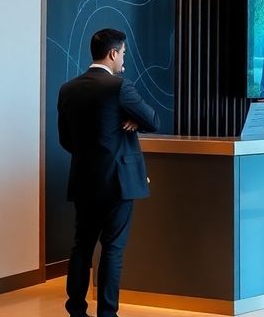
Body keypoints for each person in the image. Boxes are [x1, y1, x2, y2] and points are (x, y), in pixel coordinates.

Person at [58, 28, 160, 317]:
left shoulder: (68, 88)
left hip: (83, 180)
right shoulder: (119, 87)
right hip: (118, 183)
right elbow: (153, 119)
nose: (124, 59)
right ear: (113, 53)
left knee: (82, 246)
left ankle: (76, 309)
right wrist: (134, 120)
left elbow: (65, 139)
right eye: (123, 53)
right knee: (113, 249)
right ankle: (107, 313)